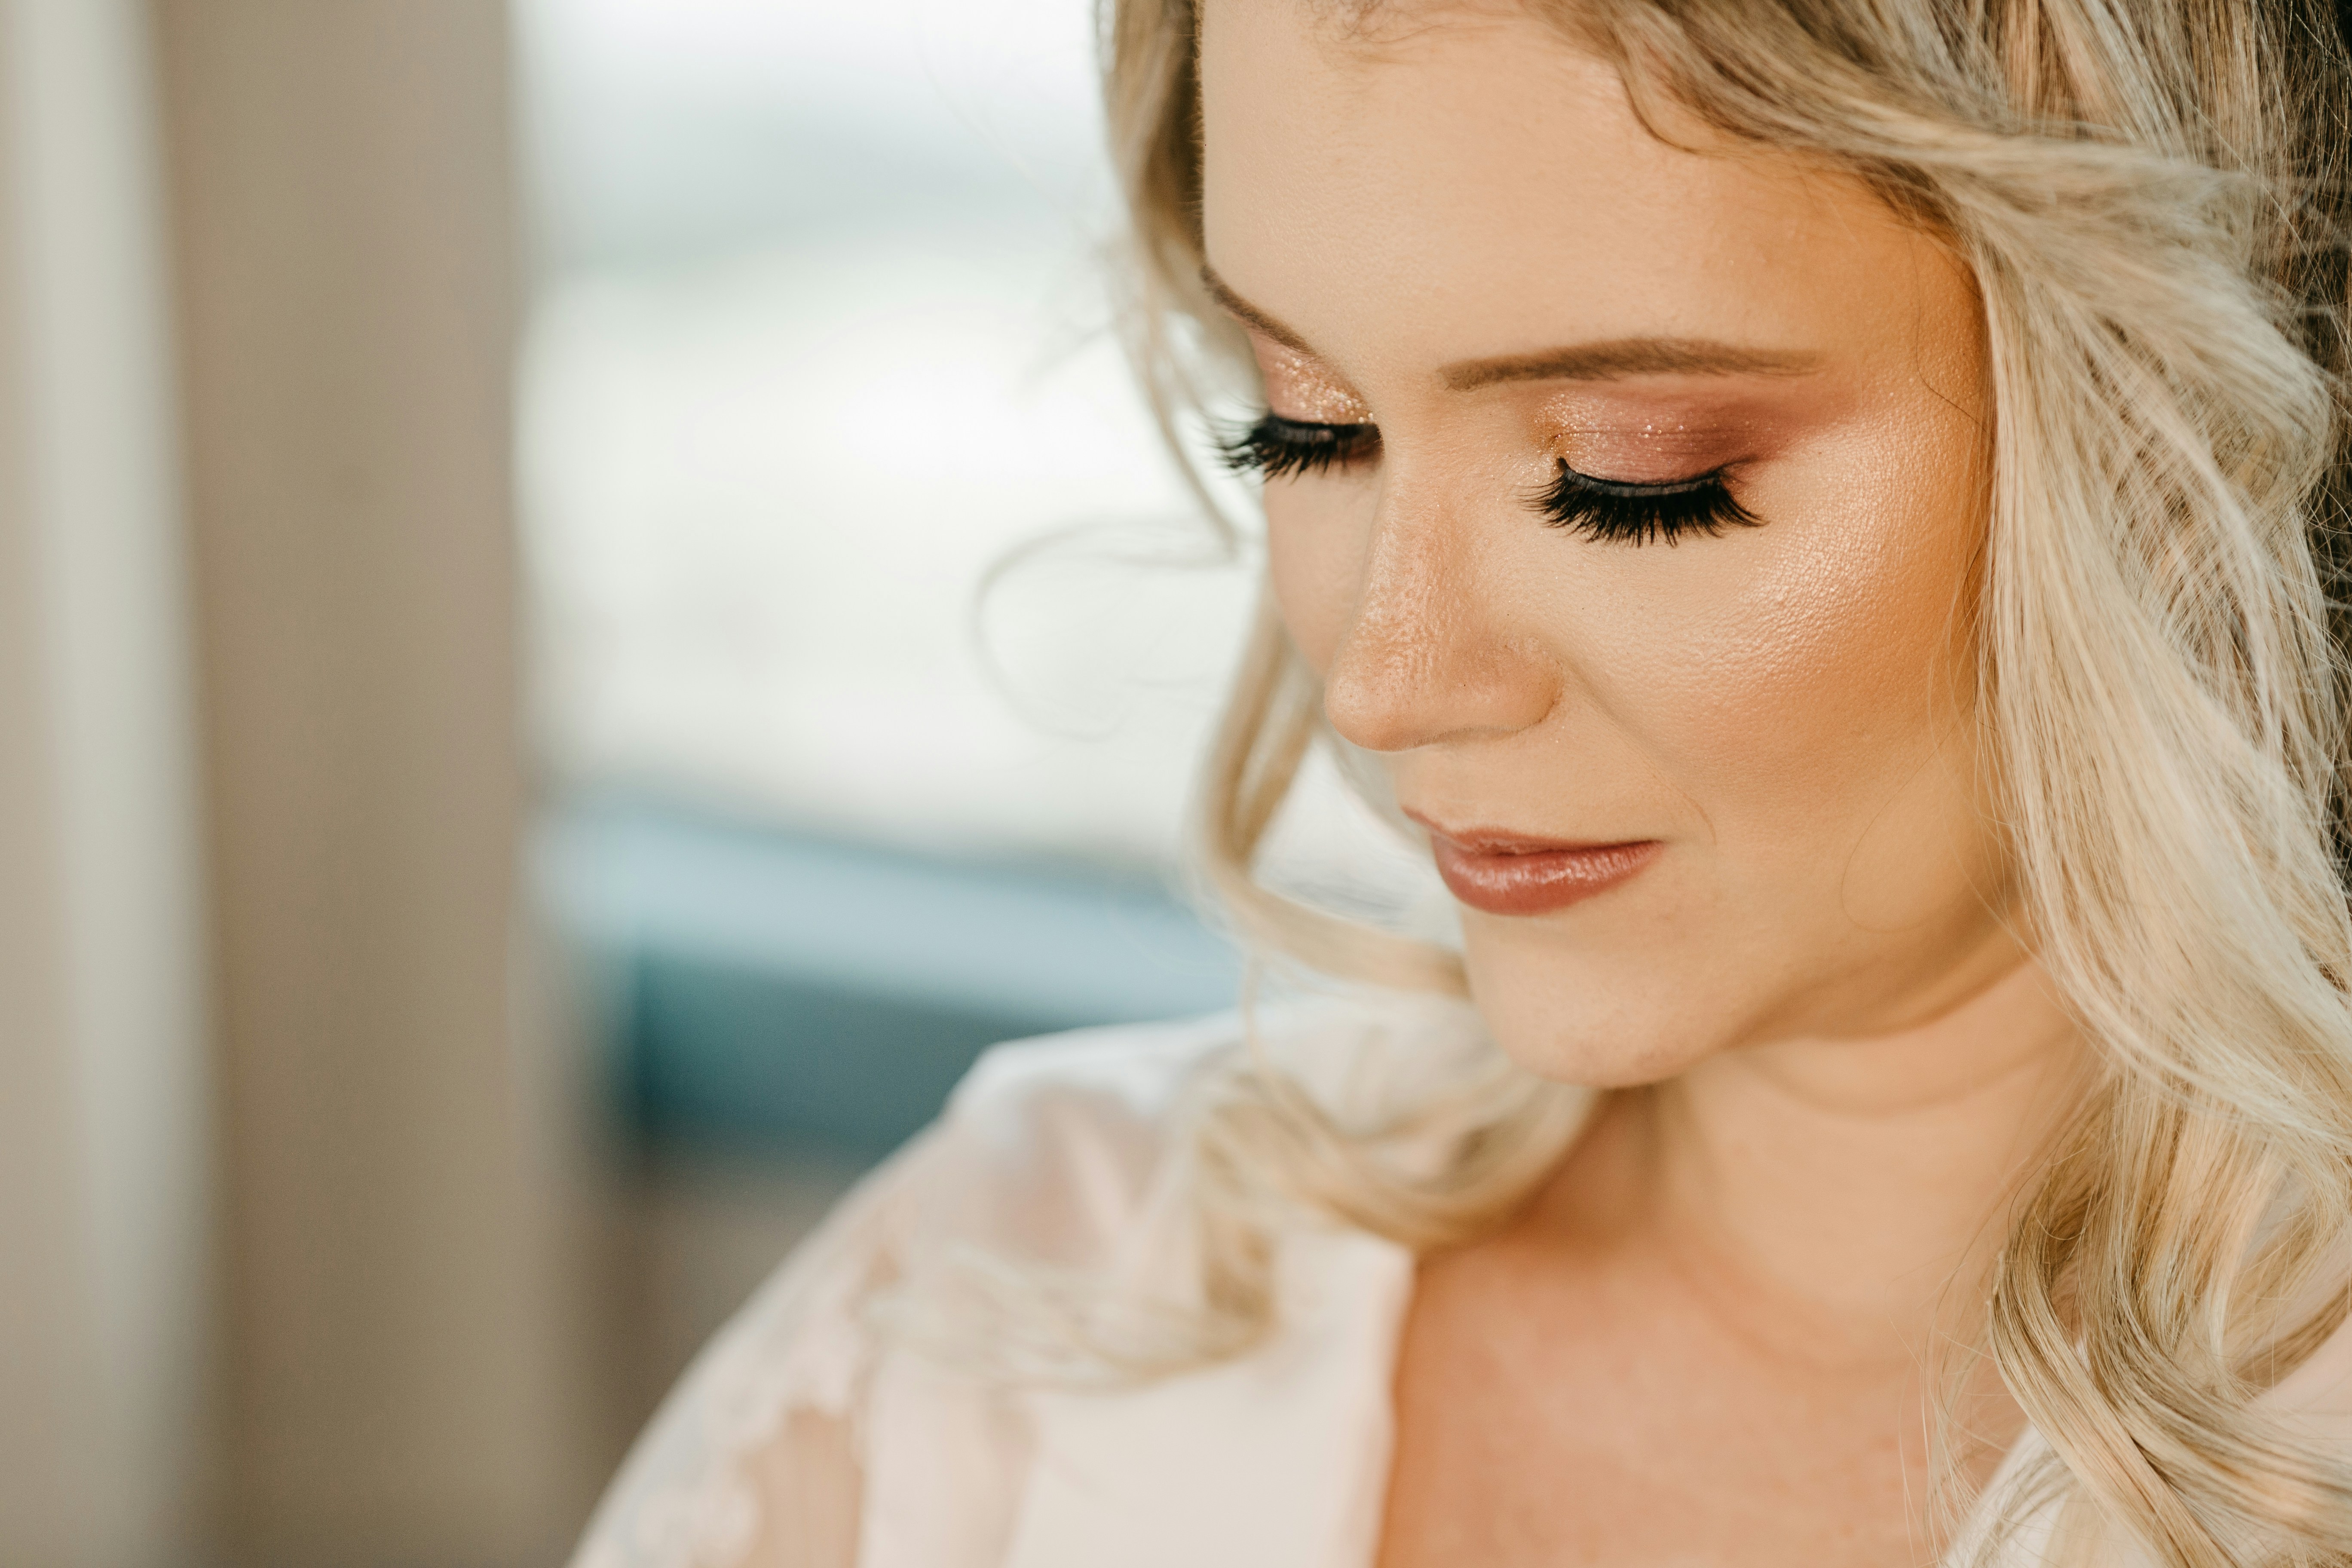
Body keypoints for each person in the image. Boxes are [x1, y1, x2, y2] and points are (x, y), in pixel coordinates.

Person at [569, 1, 2352, 1563]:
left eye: (1633, 479)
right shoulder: (1013, 1309)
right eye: (1309, 422)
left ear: (2165, 438)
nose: (1386, 678)